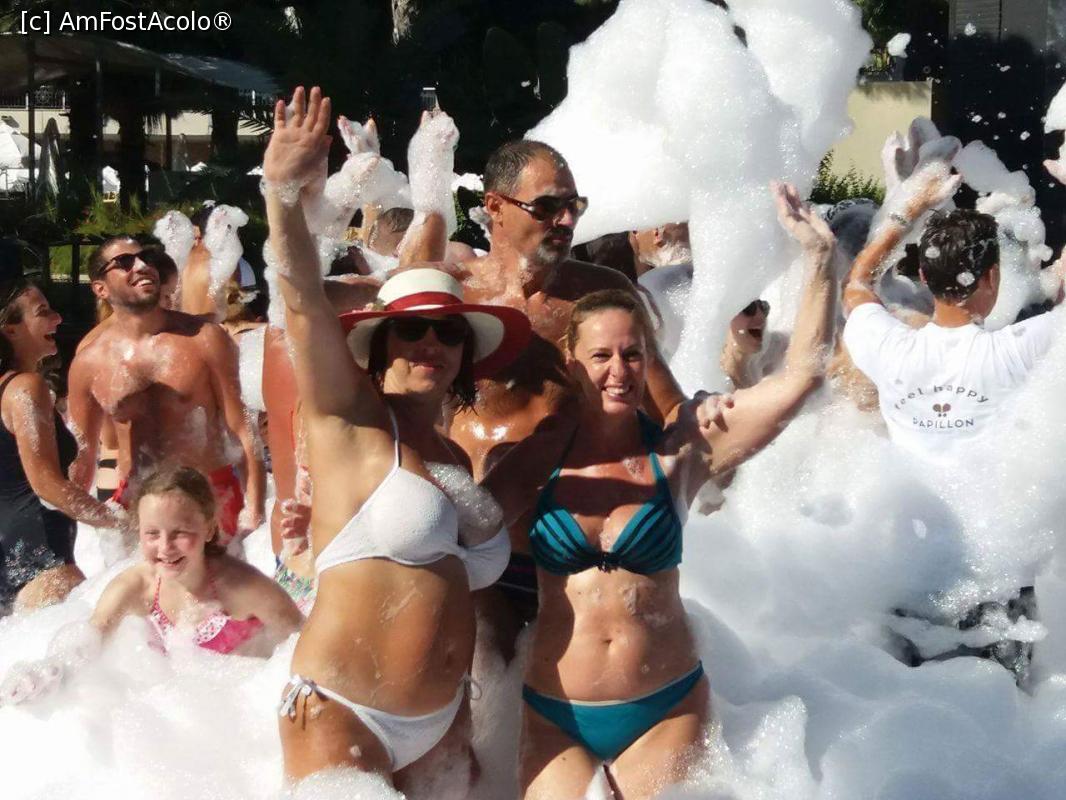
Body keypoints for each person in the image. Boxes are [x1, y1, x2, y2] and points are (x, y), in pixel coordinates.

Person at [488, 181, 837, 799]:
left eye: (633, 355)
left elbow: (801, 378)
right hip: (554, 712)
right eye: (601, 356)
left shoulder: (681, 450)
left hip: (664, 707)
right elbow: (460, 527)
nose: (618, 371)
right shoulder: (537, 457)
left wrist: (820, 258)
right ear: (571, 362)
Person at [263, 87, 526, 786]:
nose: (431, 343)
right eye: (412, 328)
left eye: (448, 331)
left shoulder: (451, 455)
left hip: (442, 726)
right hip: (343, 716)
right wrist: (282, 195)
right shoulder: (348, 418)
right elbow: (300, 300)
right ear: (381, 343)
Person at [446, 139, 687, 653]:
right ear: (494, 207)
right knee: (482, 693)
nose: (566, 220)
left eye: (573, 205)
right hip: (476, 553)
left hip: (573, 556)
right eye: (547, 206)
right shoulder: (456, 296)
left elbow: (670, 409)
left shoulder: (601, 294)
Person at [842, 166, 1063, 686]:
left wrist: (907, 212)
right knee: (1000, 721)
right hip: (994, 575)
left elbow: (856, 284)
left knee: (915, 717)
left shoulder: (887, 346)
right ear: (991, 279)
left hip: (910, 575)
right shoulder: (1020, 349)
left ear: (922, 276)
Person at [0, 465, 302, 708]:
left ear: (209, 528)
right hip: (184, 713)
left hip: (245, 706)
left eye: (180, 532)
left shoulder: (243, 588)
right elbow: (90, 640)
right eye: (152, 534)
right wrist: (49, 672)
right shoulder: (137, 585)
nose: (165, 547)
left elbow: (303, 645)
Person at [67, 236, 265, 547]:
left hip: (210, 499)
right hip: (137, 506)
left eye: (146, 257)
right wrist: (79, 528)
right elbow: (82, 459)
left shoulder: (204, 338)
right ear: (100, 289)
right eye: (125, 262)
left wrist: (254, 510)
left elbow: (243, 428)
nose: (142, 265)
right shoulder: (88, 363)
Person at [0, 277, 124, 613]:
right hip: (41, 556)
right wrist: (117, 523)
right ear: (11, 330)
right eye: (43, 312)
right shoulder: (26, 388)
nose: (57, 318)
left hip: (11, 557)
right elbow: (46, 484)